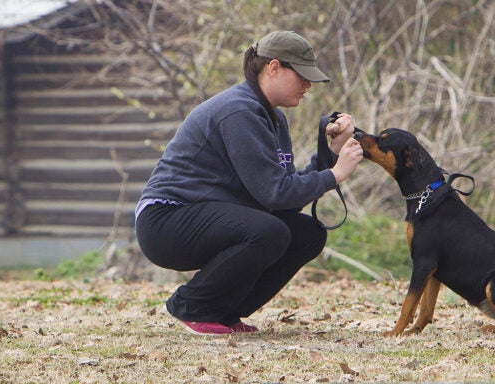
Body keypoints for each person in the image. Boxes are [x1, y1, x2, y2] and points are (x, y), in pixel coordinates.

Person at [134, 31, 363, 335]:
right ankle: (192, 305)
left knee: (307, 233)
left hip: (203, 216)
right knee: (270, 231)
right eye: (303, 76)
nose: (308, 85)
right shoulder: (239, 111)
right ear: (274, 68)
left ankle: (221, 312)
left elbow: (285, 196)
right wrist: (335, 174)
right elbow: (275, 194)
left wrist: (329, 156)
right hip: (166, 220)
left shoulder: (273, 118)